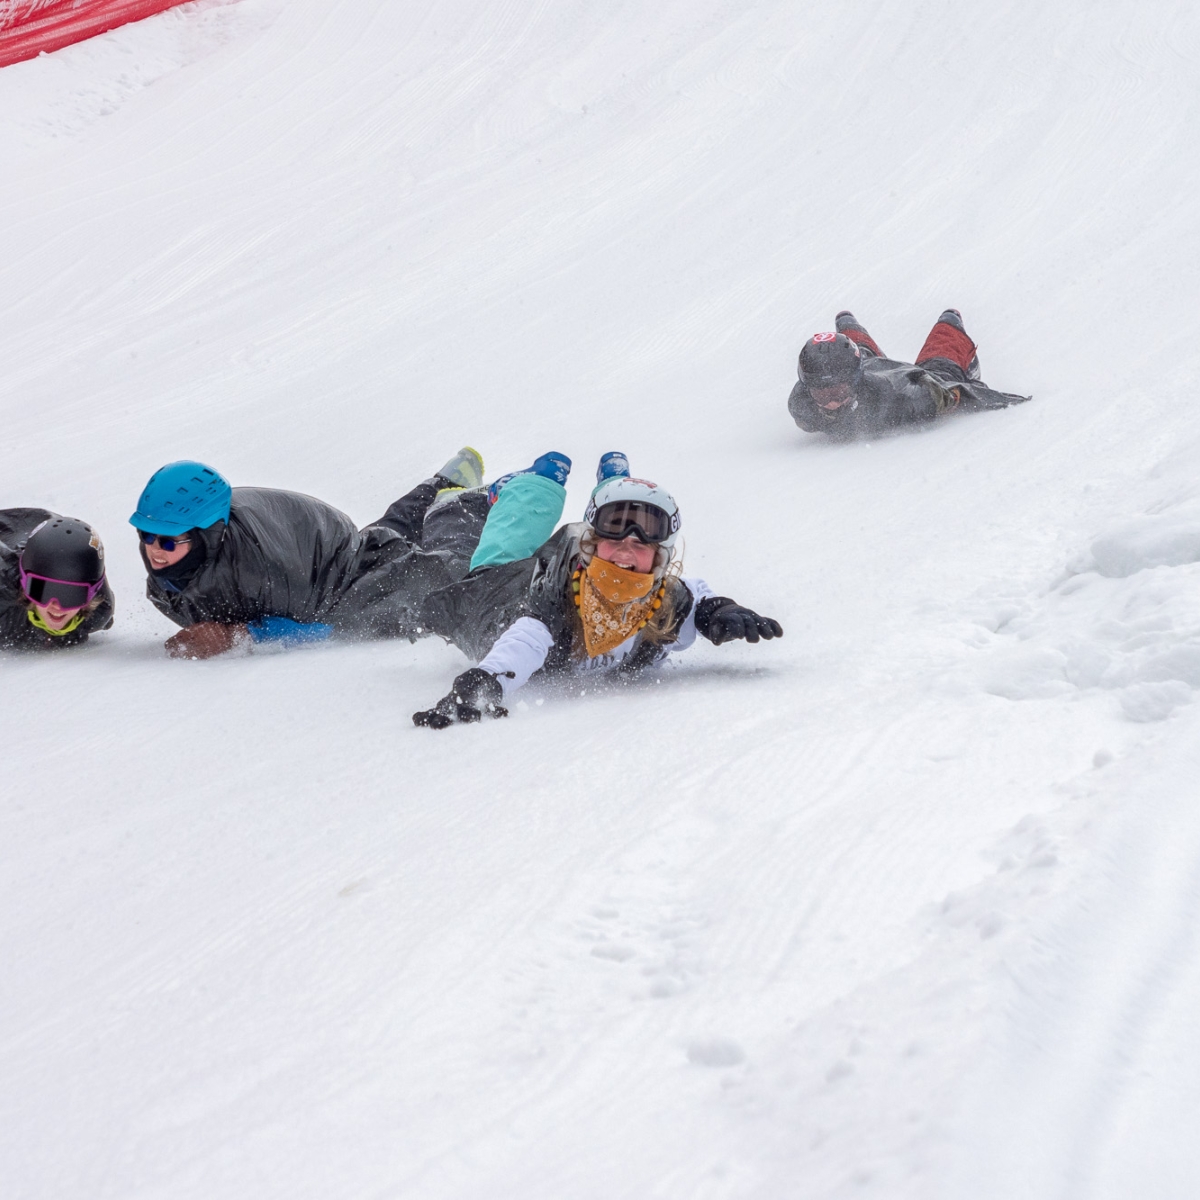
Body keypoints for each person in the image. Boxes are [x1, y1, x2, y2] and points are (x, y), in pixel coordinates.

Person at [412, 452, 782, 728]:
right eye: (613, 533)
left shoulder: (662, 603)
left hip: (561, 573)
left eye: (641, 543)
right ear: (592, 542)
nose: (625, 548)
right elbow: (527, 637)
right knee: (489, 558)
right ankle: (511, 489)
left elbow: (690, 597)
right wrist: (490, 679)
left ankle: (611, 484)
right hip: (504, 591)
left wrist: (716, 610)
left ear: (660, 555)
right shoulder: (553, 599)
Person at [130, 447, 508, 659]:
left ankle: (459, 505)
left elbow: (320, 627)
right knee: (380, 549)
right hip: (312, 544)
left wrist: (237, 636)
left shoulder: (260, 571)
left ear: (208, 535)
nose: (153, 552)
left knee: (439, 589)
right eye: (147, 536)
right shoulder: (171, 575)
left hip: (327, 574)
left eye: (166, 542)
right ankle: (442, 484)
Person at [787, 309, 1030, 439]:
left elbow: (949, 393)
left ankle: (950, 323)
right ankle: (849, 326)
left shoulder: (897, 400)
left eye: (839, 392)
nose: (831, 403)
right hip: (867, 363)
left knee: (940, 369)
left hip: (909, 381)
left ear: (855, 383)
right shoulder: (802, 407)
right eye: (822, 394)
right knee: (863, 353)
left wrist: (957, 395)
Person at [0, 510, 114, 650]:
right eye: (44, 591)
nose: (57, 606)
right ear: (24, 584)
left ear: (90, 598)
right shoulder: (4, 590)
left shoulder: (99, 614)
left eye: (71, 595)